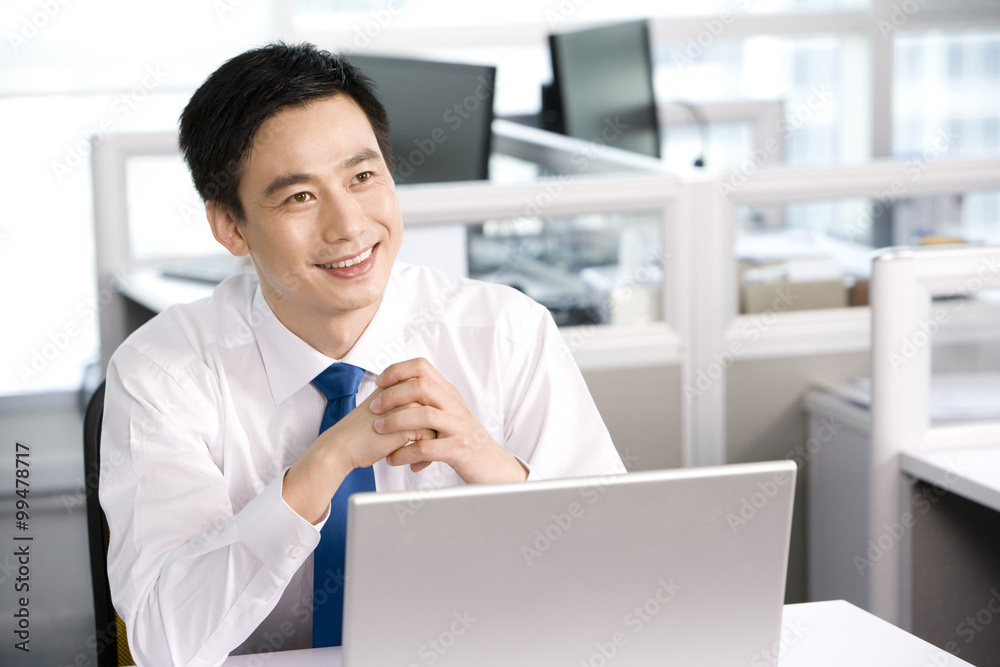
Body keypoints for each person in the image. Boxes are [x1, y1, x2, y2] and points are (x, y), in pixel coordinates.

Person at [99, 41, 623, 666]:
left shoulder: (505, 332)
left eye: (363, 177)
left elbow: (613, 583)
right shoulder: (163, 373)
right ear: (230, 226)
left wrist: (480, 457)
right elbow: (164, 643)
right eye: (299, 197)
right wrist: (321, 468)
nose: (348, 226)